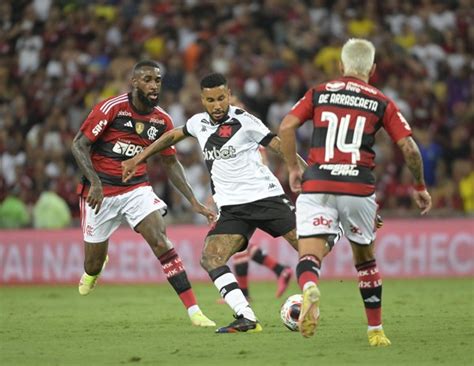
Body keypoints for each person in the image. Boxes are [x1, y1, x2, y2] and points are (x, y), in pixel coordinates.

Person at [122, 73, 337, 333]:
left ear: (229, 95)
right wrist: (138, 159)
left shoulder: (245, 121)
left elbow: (281, 148)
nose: (217, 105)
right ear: (202, 99)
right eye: (210, 100)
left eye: (222, 98)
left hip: (266, 199)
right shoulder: (198, 123)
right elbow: (170, 137)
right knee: (211, 258)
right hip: (233, 209)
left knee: (314, 249)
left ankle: (338, 226)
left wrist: (311, 180)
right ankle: (245, 316)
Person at [279, 38, 432, 345]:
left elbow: (286, 127)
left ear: (340, 66)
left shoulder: (320, 92)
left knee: (310, 255)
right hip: (358, 187)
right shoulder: (381, 101)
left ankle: (310, 286)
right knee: (365, 261)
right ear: (372, 70)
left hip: (318, 182)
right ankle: (375, 331)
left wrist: (294, 169)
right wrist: (419, 186)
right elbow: (410, 149)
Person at [70, 60, 216, 327]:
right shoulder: (111, 109)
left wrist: (193, 200)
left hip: (136, 189)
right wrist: (95, 183)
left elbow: (171, 162)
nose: (154, 85)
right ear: (134, 82)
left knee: (160, 240)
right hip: (99, 194)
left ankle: (194, 310)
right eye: (147, 79)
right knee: (91, 264)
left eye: (157, 80)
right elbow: (79, 145)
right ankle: (96, 268)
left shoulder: (162, 120)